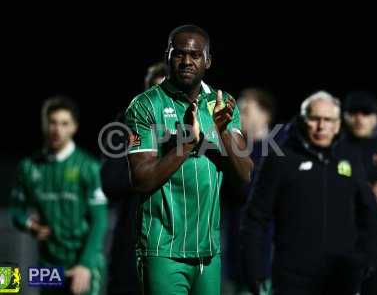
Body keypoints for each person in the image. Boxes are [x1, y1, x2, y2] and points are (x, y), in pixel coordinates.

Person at [124, 24, 253, 295]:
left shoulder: (223, 103)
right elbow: (140, 179)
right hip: (162, 249)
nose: (186, 61)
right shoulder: (145, 105)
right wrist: (186, 146)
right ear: (168, 57)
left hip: (209, 251)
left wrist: (222, 132)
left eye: (195, 55)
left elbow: (246, 174)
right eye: (179, 54)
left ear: (208, 60)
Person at [240, 91, 377, 295]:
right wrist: (253, 270)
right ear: (303, 120)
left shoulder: (350, 158)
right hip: (291, 280)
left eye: (328, 120)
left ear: (338, 124)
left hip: (341, 279)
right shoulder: (280, 159)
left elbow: (370, 214)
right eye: (315, 119)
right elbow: (255, 218)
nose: (321, 126)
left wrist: (366, 260)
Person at [10, 96, 108, 295]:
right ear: (44, 124)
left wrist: (86, 264)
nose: (57, 129)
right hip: (48, 265)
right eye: (52, 122)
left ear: (74, 128)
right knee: (10, 284)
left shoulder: (88, 167)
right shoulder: (29, 167)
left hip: (82, 263)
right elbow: (16, 210)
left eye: (64, 124)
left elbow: (99, 220)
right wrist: (31, 225)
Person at [101, 61, 166, 295]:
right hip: (130, 251)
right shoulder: (126, 128)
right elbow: (110, 182)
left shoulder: (194, 133)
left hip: (178, 252)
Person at [342, 91, 377, 295]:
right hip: (346, 242)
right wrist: (368, 195)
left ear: (376, 118)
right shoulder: (334, 148)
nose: (359, 118)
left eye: (366, 113)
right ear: (344, 116)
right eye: (353, 112)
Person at [220, 88, 276, 294]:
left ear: (265, 115)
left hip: (264, 260)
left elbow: (247, 189)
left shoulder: (278, 151)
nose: (238, 116)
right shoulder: (235, 148)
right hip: (231, 257)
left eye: (246, 111)